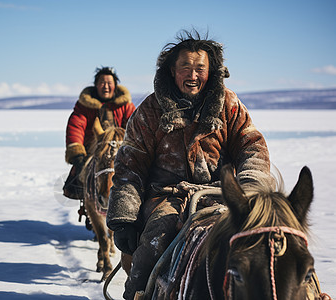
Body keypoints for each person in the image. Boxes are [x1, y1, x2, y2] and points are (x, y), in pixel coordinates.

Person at [106, 30, 271, 299]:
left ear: (212, 72)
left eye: (200, 68)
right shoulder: (150, 111)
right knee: (155, 240)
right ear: (172, 71)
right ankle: (137, 294)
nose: (193, 76)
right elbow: (130, 167)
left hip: (223, 194)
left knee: (269, 244)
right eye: (186, 67)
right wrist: (124, 220)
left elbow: (252, 146)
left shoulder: (229, 105)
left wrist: (250, 192)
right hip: (167, 197)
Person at [63, 67, 136, 200]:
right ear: (96, 85)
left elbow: (134, 127)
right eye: (102, 83)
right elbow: (76, 127)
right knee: (81, 177)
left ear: (115, 86)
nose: (106, 87)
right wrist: (77, 154)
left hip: (119, 150)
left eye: (109, 83)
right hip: (92, 151)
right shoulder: (84, 106)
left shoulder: (125, 106)